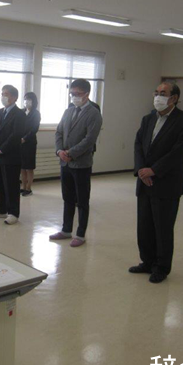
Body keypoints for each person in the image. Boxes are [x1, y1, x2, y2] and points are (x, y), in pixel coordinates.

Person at [130, 82, 183, 284]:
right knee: (144, 226)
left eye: (163, 93)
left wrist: (154, 170)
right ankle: (147, 262)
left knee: (163, 227)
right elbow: (138, 144)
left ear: (174, 98)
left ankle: (161, 267)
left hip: (166, 183)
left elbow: (178, 151)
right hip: (145, 181)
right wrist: (142, 170)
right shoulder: (148, 118)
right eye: (156, 92)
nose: (158, 96)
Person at [49, 79, 102, 248]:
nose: (74, 97)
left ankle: (80, 234)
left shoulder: (94, 113)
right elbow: (59, 132)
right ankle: (66, 230)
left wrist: (71, 153)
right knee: (68, 198)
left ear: (87, 94)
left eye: (77, 94)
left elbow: (89, 139)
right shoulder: (68, 110)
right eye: (72, 94)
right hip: (65, 163)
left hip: (81, 164)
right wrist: (59, 151)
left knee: (82, 200)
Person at [0, 85, 26, 225]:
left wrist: (1, 149)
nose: (4, 97)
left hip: (10, 156)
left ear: (15, 97)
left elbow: (15, 135)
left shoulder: (20, 114)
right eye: (2, 93)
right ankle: (0, 209)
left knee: (11, 186)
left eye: (7, 94)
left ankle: (13, 213)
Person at [21, 92, 41, 197]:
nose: (26, 101)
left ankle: (29, 188)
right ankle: (23, 187)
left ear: (34, 101)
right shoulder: (21, 111)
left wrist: (25, 138)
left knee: (29, 167)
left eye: (29, 99)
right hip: (20, 142)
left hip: (30, 143)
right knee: (22, 167)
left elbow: (34, 129)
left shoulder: (36, 113)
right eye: (25, 99)